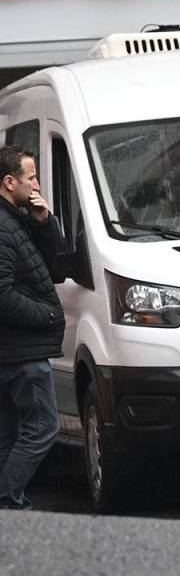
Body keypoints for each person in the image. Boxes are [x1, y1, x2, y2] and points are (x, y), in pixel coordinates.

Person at [0, 146, 64, 511]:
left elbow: (54, 269)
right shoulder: (3, 226)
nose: (38, 184)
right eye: (32, 177)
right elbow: (2, 294)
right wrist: (47, 317)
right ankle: (9, 502)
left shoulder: (17, 220)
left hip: (16, 350)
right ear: (10, 182)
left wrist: (43, 222)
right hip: (21, 351)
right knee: (42, 429)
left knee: (10, 436)